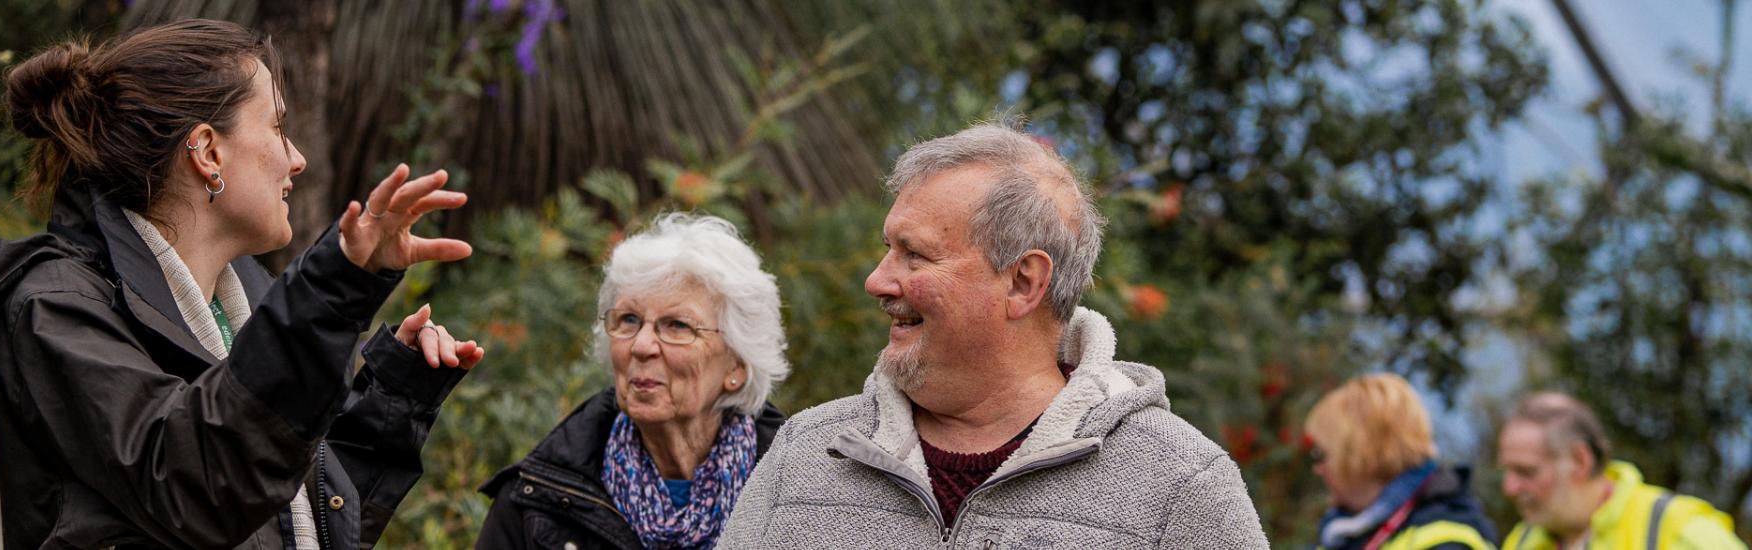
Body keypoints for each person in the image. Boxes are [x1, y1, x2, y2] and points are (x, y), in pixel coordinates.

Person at [0, 19, 482, 549]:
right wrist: (332, 290)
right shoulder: (57, 309)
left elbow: (288, 518)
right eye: (279, 127)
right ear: (208, 151)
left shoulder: (238, 313)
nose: (298, 159)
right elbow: (199, 487)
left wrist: (394, 395)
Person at [716, 122, 1266, 548]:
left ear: (1024, 282)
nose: (878, 280)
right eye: (888, 249)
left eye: (915, 254)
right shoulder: (806, 454)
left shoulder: (1179, 484)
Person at [476, 213, 790, 549]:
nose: (641, 346)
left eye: (678, 326)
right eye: (629, 320)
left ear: (737, 365)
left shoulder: (802, 495)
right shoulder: (535, 503)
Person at [1498, 392, 1745, 550]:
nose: (1509, 487)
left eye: (1526, 471)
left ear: (1580, 461)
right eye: (1507, 471)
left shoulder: (1677, 530)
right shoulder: (1521, 541)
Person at [1304, 374, 1496, 550]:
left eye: (1320, 455)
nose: (1318, 469)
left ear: (1361, 455)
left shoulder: (1446, 543)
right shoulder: (1343, 532)